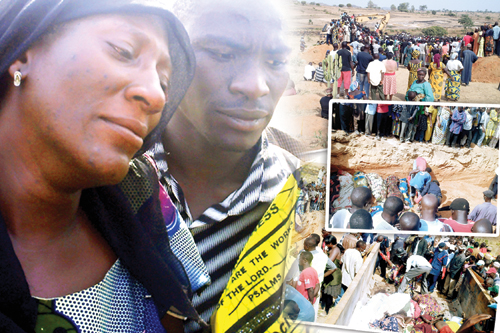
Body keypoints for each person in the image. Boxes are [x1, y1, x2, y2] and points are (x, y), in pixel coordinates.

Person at [0, 0, 204, 331]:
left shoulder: (144, 197)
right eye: (124, 51)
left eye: (164, 83)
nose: (156, 96)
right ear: (25, 50)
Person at [156, 1, 301, 331]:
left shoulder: (297, 193)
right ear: (168, 55)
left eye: (276, 61)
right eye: (222, 53)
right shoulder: (107, 174)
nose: (255, 86)